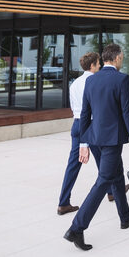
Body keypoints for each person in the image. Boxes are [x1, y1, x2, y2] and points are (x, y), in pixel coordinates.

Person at [63, 43, 129, 251]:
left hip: (94, 137)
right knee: (104, 181)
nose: (123, 60)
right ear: (116, 58)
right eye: (122, 57)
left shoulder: (91, 80)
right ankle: (76, 228)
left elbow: (84, 113)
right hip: (111, 139)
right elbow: (127, 114)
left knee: (116, 175)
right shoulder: (122, 79)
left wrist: (83, 142)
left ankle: (125, 216)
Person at [56, 52, 99, 215]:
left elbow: (74, 107)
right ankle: (112, 191)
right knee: (105, 160)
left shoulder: (74, 84)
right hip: (91, 124)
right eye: (98, 63)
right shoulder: (93, 81)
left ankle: (63, 202)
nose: (100, 66)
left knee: (73, 165)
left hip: (77, 123)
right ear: (92, 65)